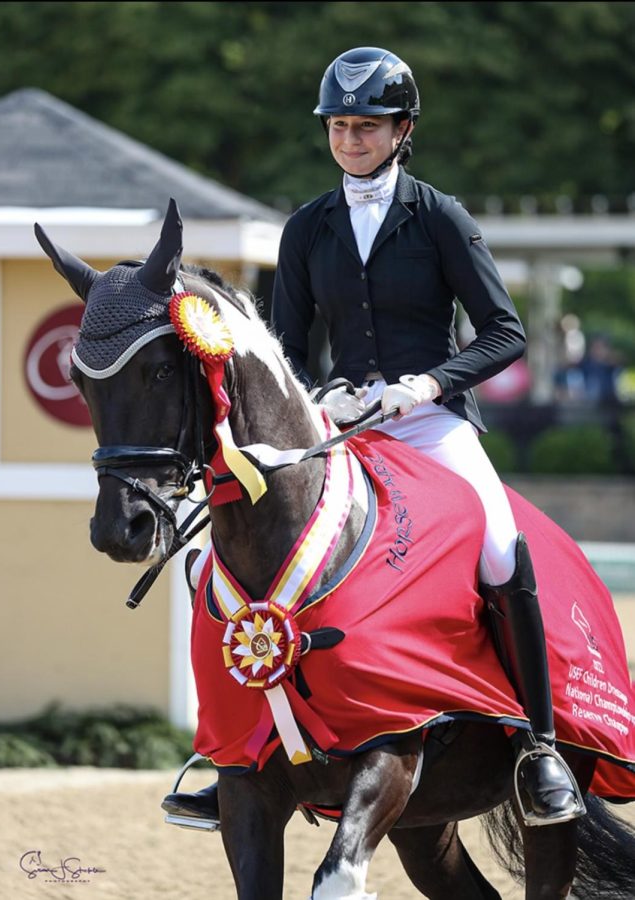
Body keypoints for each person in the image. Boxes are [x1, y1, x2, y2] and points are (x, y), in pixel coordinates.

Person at [163, 46, 584, 828]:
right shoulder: (308, 228)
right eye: (339, 127)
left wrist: (428, 383)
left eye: (367, 127)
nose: (351, 140)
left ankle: (539, 748)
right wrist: (323, 394)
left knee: (497, 543)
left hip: (428, 423)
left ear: (401, 130)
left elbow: (503, 333)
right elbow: (282, 345)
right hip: (338, 427)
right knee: (225, 561)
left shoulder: (439, 218)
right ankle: (230, 753)